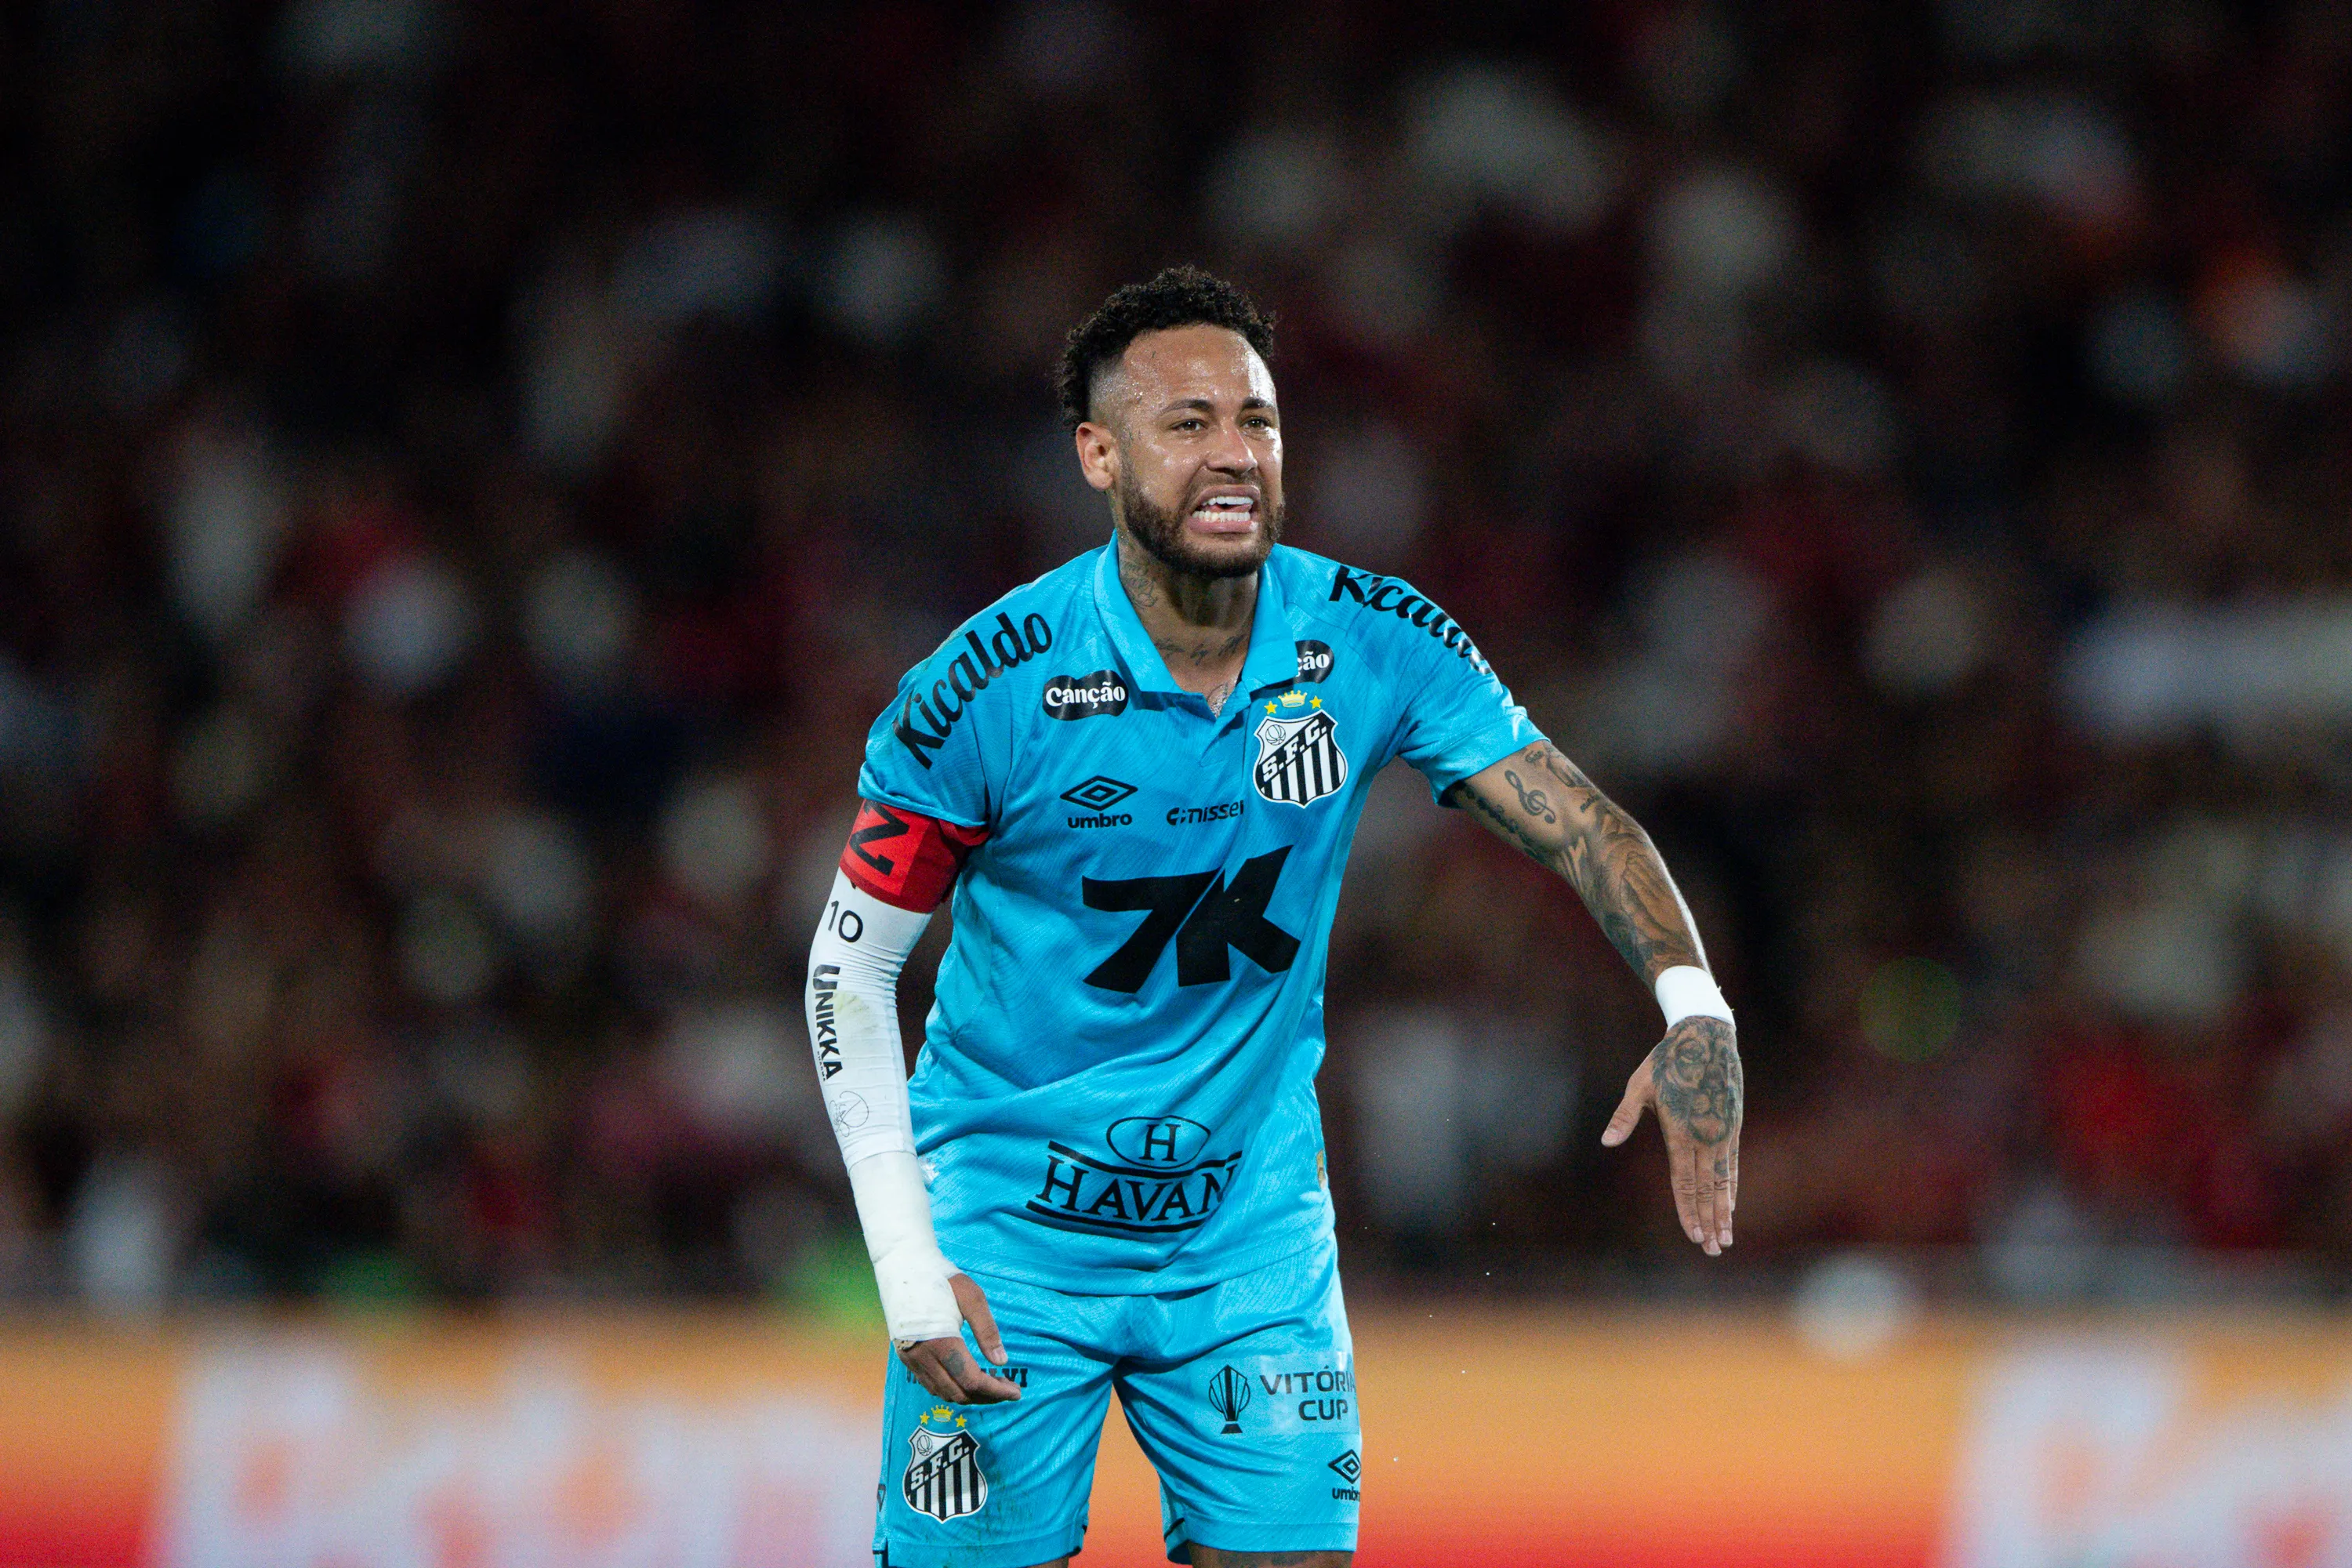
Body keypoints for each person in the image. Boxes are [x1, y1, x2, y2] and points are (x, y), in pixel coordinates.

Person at [804, 265, 1741, 1568]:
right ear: (1097, 452)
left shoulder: (1374, 637)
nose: (1234, 454)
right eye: (1186, 425)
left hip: (1248, 1244)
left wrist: (1693, 1004)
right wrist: (906, 1266)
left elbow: (1585, 823)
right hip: (1008, 1244)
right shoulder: (978, 689)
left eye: (1257, 420)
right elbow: (846, 982)